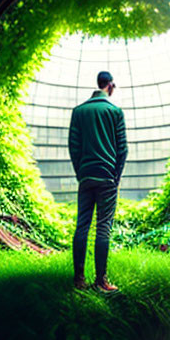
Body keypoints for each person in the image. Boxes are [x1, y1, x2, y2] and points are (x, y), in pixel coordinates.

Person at [69, 70, 128, 293]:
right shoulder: (115, 111)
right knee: (103, 227)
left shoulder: (79, 111)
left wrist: (80, 172)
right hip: (107, 178)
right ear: (110, 86)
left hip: (86, 176)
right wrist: (116, 176)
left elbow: (73, 147)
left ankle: (78, 279)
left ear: (98, 84)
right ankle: (101, 281)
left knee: (82, 226)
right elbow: (122, 149)